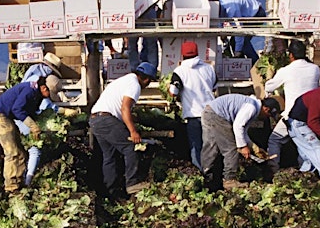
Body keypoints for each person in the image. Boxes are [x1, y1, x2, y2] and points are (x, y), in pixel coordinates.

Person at [89, 62, 157, 200]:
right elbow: (125, 109)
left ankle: (111, 192)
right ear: (146, 79)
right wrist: (133, 131)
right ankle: (133, 183)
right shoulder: (134, 85)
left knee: (109, 156)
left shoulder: (124, 80)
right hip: (106, 120)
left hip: (95, 120)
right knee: (130, 147)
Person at [0, 75, 62, 195]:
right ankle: (11, 187)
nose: (49, 96)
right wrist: (32, 126)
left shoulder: (37, 95)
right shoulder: (29, 91)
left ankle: (19, 182)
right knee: (12, 152)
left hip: (7, 118)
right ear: (44, 88)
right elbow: (17, 109)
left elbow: (32, 112)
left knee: (21, 153)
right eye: (49, 93)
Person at [264, 41, 320, 179]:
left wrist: (270, 76)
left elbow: (268, 88)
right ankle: (307, 175)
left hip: (291, 115)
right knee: (306, 146)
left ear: (291, 55)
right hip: (311, 115)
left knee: (274, 140)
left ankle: (273, 170)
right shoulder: (315, 69)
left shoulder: (286, 70)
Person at [200, 94, 281, 190]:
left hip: (209, 112)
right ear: (266, 109)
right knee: (231, 148)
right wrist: (242, 147)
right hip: (217, 115)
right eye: (269, 115)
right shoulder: (251, 108)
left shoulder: (251, 105)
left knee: (211, 147)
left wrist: (254, 148)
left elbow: (243, 133)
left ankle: (206, 177)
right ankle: (230, 179)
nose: (266, 118)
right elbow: (238, 126)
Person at [168, 41, 217, 170]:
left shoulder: (179, 71)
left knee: (196, 147)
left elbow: (173, 92)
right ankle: (213, 174)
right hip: (211, 112)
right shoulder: (209, 68)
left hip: (193, 115)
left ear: (182, 54)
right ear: (197, 53)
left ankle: (201, 174)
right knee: (210, 146)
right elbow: (214, 87)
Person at [219, 0, 267, 65]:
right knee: (234, 43)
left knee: (243, 42)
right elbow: (219, 19)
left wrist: (238, 51)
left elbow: (239, 31)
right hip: (248, 15)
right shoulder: (220, 3)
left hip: (256, 14)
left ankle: (257, 65)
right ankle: (242, 67)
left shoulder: (232, 10)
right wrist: (221, 32)